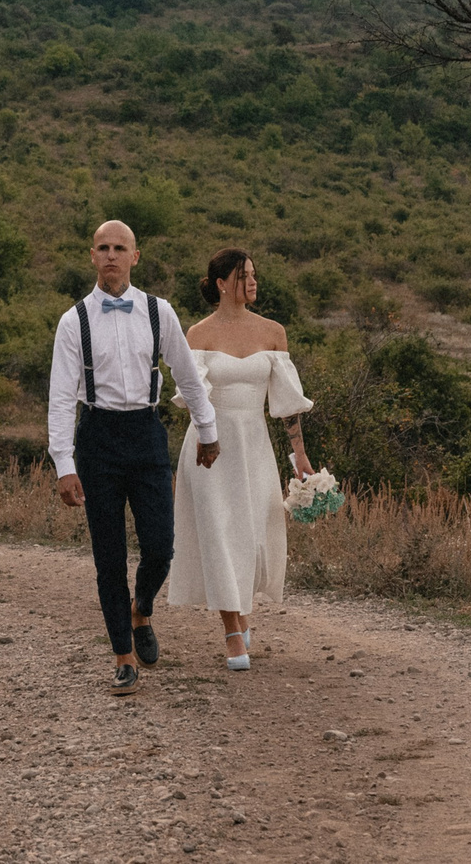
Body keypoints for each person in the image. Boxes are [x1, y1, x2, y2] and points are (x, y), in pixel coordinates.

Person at [48, 220, 221, 695]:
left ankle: (141, 608)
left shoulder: (157, 311)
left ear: (135, 256)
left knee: (161, 545)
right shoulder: (73, 321)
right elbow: (61, 398)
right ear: (92, 256)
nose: (110, 256)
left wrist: (208, 429)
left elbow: (187, 375)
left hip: (146, 432)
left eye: (119, 248)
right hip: (97, 436)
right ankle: (123, 655)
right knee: (108, 556)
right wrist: (64, 464)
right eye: (102, 248)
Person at [168, 248, 313, 671]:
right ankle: (232, 630)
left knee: (252, 532)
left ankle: (242, 611)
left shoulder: (273, 332)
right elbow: (194, 397)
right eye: (243, 276)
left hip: (254, 444)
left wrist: (300, 455)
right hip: (208, 446)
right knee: (218, 531)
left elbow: (286, 403)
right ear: (221, 283)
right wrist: (206, 437)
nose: (252, 282)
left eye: (253, 275)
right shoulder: (198, 334)